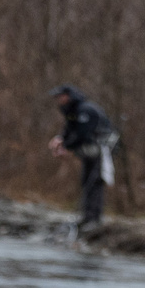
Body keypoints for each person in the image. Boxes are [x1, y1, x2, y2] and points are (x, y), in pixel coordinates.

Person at [48, 85, 117, 233]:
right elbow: (69, 129)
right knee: (86, 181)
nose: (59, 100)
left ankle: (94, 219)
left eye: (61, 96)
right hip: (88, 152)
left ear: (68, 95)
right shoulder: (72, 111)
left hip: (101, 151)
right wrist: (61, 139)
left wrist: (66, 146)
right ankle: (87, 217)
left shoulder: (85, 110)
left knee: (95, 182)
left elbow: (82, 134)